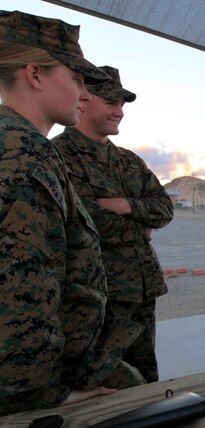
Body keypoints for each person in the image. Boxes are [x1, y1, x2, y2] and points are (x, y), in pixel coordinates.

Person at [0, 10, 145, 416]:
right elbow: (23, 293)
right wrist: (49, 399)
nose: (85, 93)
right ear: (35, 74)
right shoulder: (26, 155)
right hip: (33, 391)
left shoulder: (16, 143)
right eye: (77, 79)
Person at [52, 66, 173, 383]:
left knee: (146, 379)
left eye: (122, 105)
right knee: (101, 383)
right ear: (84, 99)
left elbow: (165, 208)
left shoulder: (128, 160)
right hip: (97, 297)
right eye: (110, 102)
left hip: (141, 290)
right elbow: (85, 224)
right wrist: (140, 226)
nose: (119, 112)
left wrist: (126, 205)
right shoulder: (61, 155)